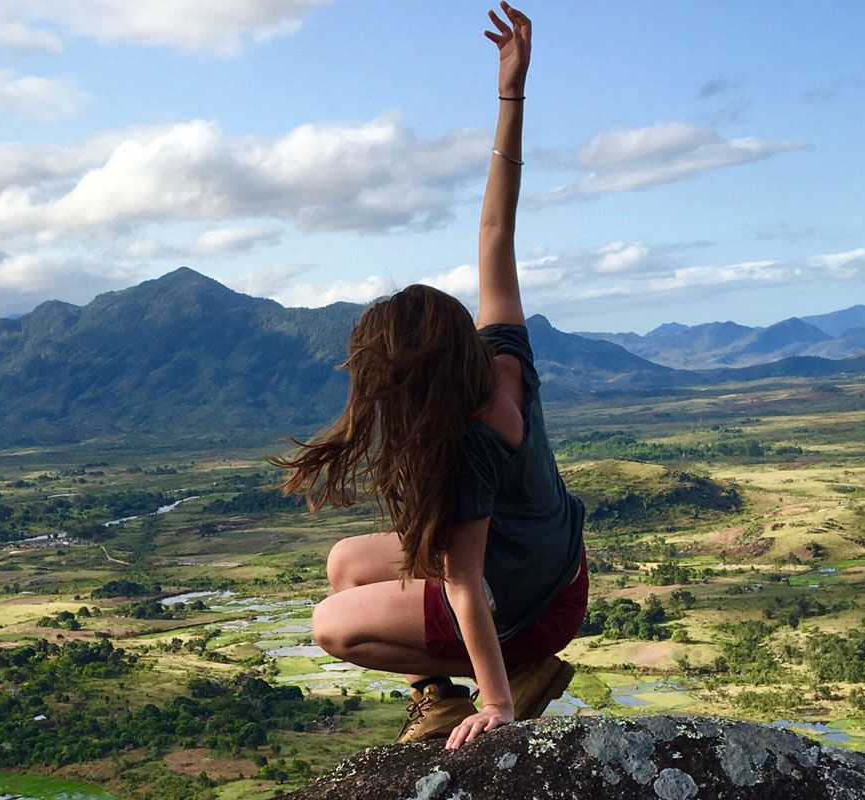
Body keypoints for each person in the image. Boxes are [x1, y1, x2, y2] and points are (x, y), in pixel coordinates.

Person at [271, 3, 587, 750]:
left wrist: (500, 705)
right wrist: (511, 95)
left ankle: (512, 676)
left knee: (332, 624)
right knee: (345, 563)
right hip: (555, 569)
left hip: (535, 603)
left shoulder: (469, 446)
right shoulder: (503, 353)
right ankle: (440, 694)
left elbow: (466, 587)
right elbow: (495, 230)